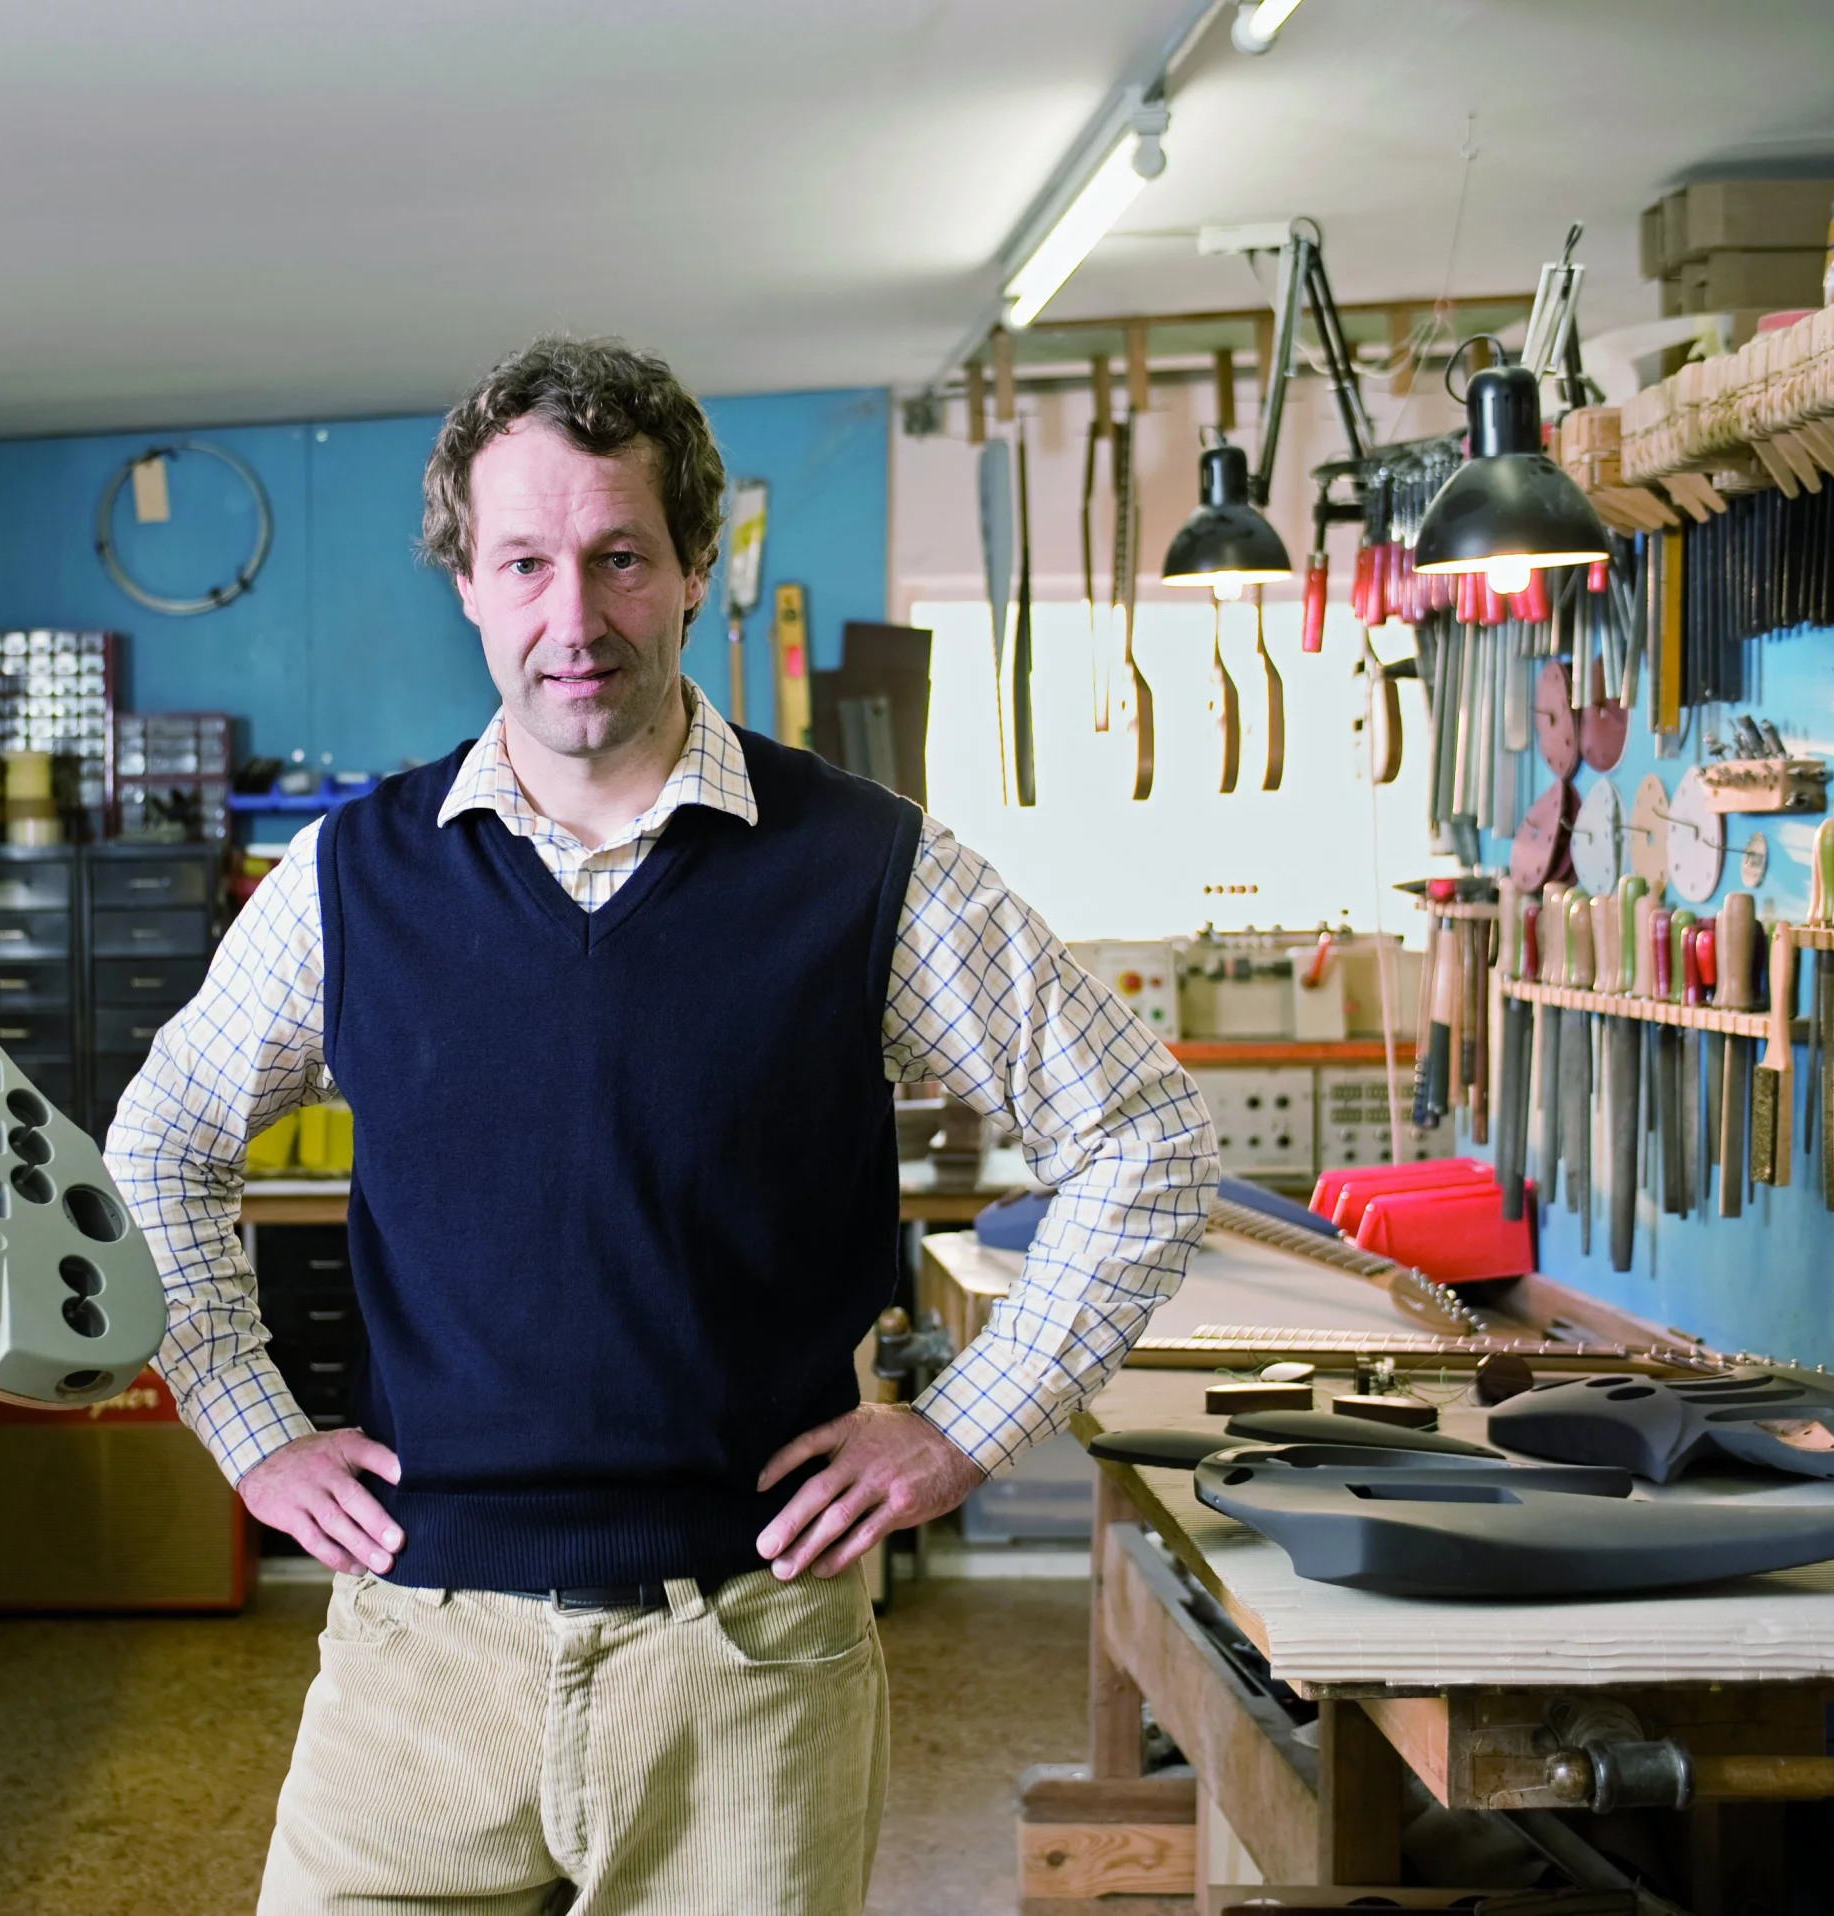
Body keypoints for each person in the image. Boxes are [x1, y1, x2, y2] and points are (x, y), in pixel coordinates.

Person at [107, 335, 1216, 1915]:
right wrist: (247, 1422)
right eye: (527, 563)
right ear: (469, 585)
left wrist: (969, 1425)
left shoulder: (863, 870)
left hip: (749, 1655)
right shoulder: (354, 881)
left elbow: (1147, 1140)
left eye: (621, 557)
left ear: (697, 568)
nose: (575, 619)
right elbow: (159, 1142)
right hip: (417, 1659)